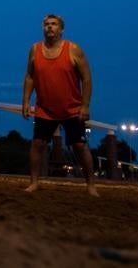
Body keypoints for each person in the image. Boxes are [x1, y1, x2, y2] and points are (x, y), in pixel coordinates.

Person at [20, 14, 98, 197]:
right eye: (46, 24)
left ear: (61, 29)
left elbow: (86, 78)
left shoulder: (73, 49)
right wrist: (25, 100)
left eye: (54, 24)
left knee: (80, 146)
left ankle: (91, 185)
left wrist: (85, 105)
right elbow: (30, 76)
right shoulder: (35, 49)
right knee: (37, 144)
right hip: (45, 108)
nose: (49, 27)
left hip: (71, 108)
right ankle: (34, 183)